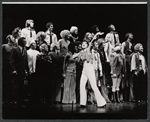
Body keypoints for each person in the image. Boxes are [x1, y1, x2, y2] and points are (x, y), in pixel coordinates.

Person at [78, 33, 106, 108]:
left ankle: (102, 102)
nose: (83, 44)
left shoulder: (89, 49)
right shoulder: (81, 52)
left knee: (94, 86)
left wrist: (96, 35)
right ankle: (82, 103)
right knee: (82, 85)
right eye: (82, 43)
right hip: (84, 69)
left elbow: (91, 42)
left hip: (89, 68)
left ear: (87, 45)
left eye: (85, 43)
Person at [13, 37, 30, 106]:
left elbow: (25, 61)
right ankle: (16, 100)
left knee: (22, 86)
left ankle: (21, 100)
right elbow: (12, 60)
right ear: (21, 42)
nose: (26, 43)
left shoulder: (25, 50)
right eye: (24, 41)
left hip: (23, 71)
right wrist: (13, 70)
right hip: (17, 71)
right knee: (16, 86)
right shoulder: (15, 49)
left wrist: (26, 70)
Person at [2, 35, 16, 106]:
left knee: (11, 83)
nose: (14, 38)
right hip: (5, 66)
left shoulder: (14, 47)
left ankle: (11, 99)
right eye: (12, 37)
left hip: (12, 67)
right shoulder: (4, 46)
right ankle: (5, 99)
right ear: (9, 39)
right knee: (5, 82)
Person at [97, 38, 111, 103]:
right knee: (98, 83)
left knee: (104, 83)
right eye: (103, 43)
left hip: (104, 68)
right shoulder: (98, 51)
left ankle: (105, 97)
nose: (105, 44)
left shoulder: (104, 51)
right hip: (99, 68)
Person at [27, 39, 39, 105]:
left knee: (36, 85)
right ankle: (30, 98)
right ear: (31, 44)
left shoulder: (37, 52)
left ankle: (35, 98)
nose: (35, 44)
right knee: (30, 85)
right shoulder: (28, 52)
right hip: (30, 70)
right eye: (34, 43)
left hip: (36, 71)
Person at [121, 33, 133, 101]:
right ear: (128, 36)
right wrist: (124, 59)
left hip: (129, 60)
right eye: (131, 35)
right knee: (125, 77)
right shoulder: (124, 43)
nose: (132, 36)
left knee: (129, 77)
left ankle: (129, 97)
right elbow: (122, 52)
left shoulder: (131, 44)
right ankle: (123, 97)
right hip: (125, 59)